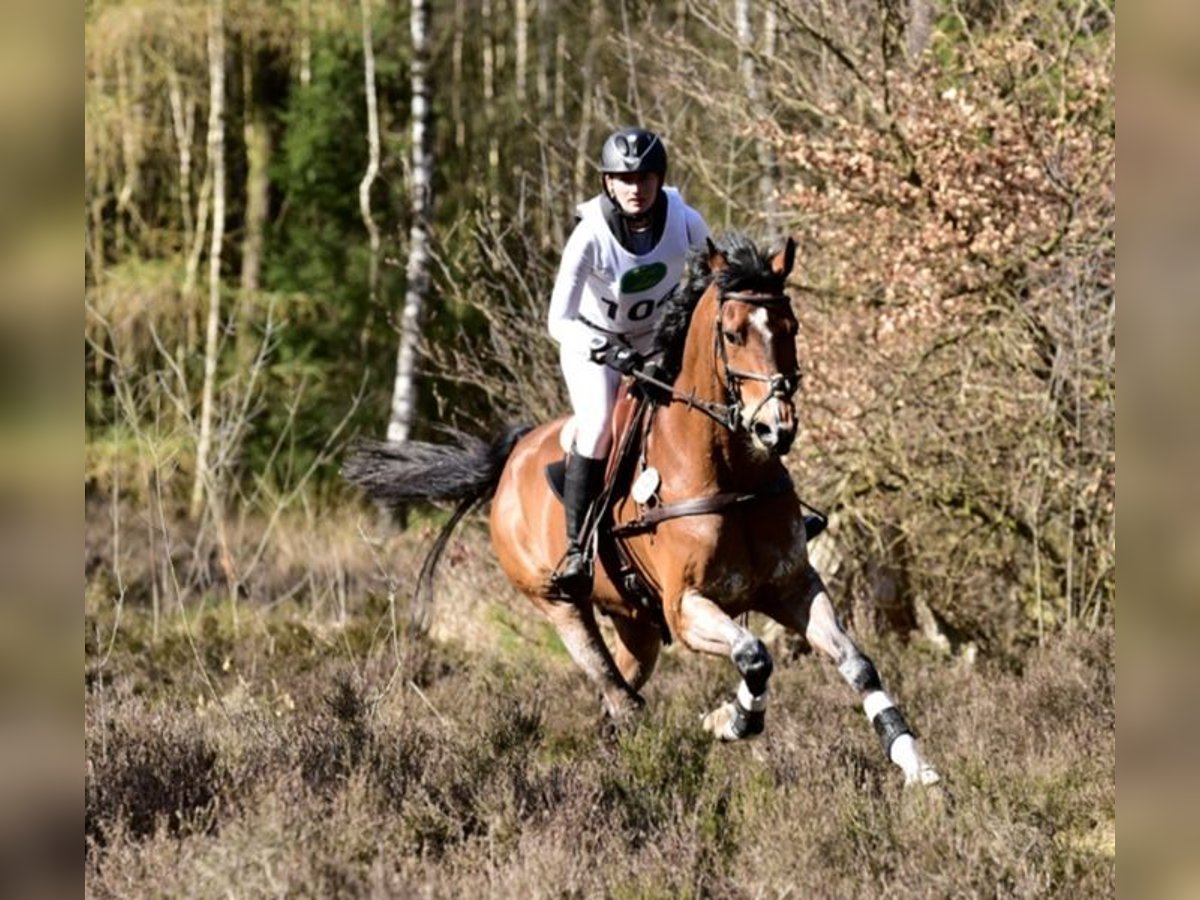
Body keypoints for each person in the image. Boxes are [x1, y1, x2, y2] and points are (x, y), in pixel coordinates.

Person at [547, 127, 711, 597]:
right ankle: (578, 549)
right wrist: (607, 351)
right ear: (607, 183)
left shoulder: (685, 222)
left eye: (643, 178)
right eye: (623, 179)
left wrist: (677, 336)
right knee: (598, 424)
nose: (634, 188)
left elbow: (709, 281)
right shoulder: (589, 236)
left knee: (718, 398)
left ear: (659, 180)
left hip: (657, 341)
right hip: (595, 344)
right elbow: (558, 319)